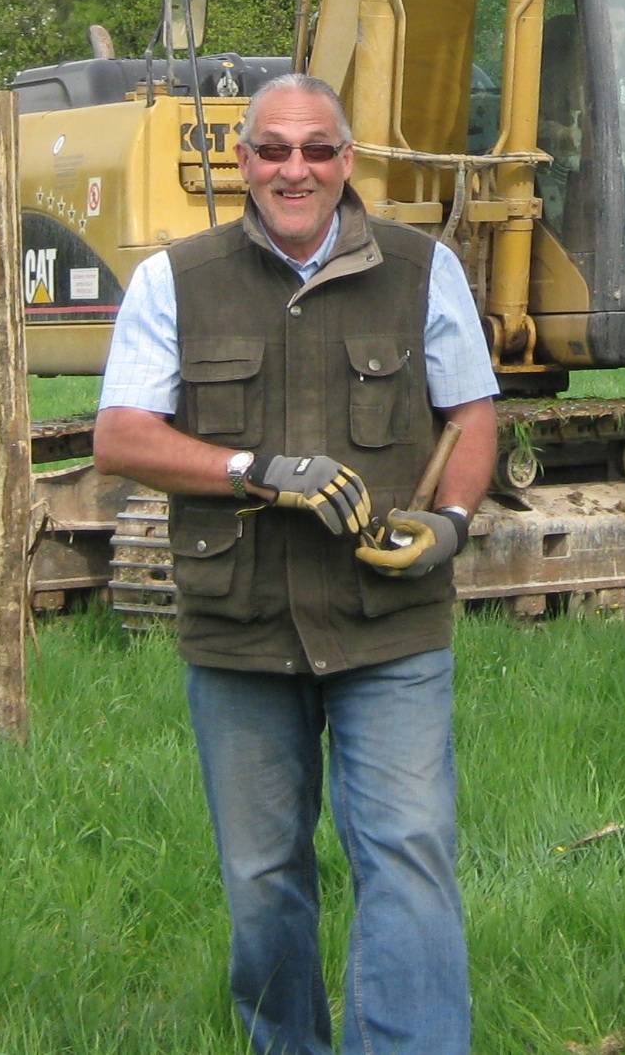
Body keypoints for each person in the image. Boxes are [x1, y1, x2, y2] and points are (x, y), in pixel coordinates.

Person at [94, 73, 498, 1055]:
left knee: (407, 852)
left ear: (347, 160)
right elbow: (121, 435)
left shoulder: (422, 268)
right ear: (242, 161)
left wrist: (449, 521)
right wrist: (255, 469)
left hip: (387, 621)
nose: (295, 169)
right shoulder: (175, 279)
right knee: (263, 878)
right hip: (242, 628)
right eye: (273, 149)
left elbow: (472, 412)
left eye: (317, 149)